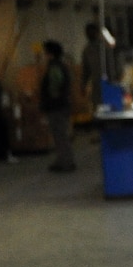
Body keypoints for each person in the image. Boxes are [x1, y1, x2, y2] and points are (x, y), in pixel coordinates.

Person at [39, 40, 75, 173]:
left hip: (56, 106)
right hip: (62, 104)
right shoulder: (61, 65)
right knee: (60, 135)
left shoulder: (54, 67)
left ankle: (65, 162)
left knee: (60, 135)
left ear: (50, 54)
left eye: (45, 52)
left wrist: (51, 100)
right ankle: (63, 160)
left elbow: (55, 85)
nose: (44, 55)